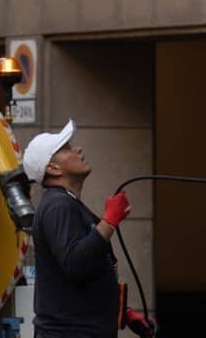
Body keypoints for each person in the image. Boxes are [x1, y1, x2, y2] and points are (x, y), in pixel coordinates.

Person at [23, 119, 155, 338]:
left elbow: (83, 280)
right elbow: (76, 262)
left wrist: (123, 313)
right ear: (53, 168)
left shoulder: (66, 203)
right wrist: (109, 221)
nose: (78, 149)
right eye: (66, 148)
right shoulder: (58, 205)